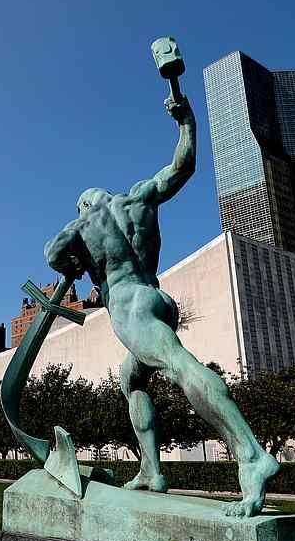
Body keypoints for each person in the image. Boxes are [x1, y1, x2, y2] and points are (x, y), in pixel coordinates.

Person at [44, 94, 278, 517]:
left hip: (131, 306)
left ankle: (251, 455)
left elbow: (52, 254)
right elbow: (181, 167)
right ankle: (152, 470)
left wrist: (76, 257)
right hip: (157, 296)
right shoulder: (138, 199)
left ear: (83, 205)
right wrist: (186, 122)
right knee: (131, 378)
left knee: (181, 366)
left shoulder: (83, 224)